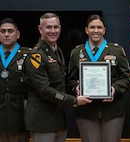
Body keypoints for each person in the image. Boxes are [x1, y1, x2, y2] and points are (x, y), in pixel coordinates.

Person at [24, 12, 92, 142]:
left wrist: (77, 88)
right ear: (40, 29)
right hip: (42, 122)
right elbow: (45, 91)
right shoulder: (36, 56)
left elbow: (60, 84)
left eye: (56, 27)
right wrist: (74, 100)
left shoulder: (57, 51)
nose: (53, 31)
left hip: (58, 120)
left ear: (60, 28)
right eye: (48, 27)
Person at [66, 14, 130, 142]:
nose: (96, 31)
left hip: (113, 111)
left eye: (99, 27)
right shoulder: (76, 53)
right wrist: (76, 88)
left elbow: (127, 78)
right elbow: (70, 81)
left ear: (104, 30)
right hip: (86, 111)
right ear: (86, 30)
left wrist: (114, 89)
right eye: (92, 27)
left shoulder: (116, 51)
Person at [0, 18, 30, 142]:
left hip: (19, 109)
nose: (6, 34)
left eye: (10, 31)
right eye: (3, 31)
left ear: (17, 34)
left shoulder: (28, 54)